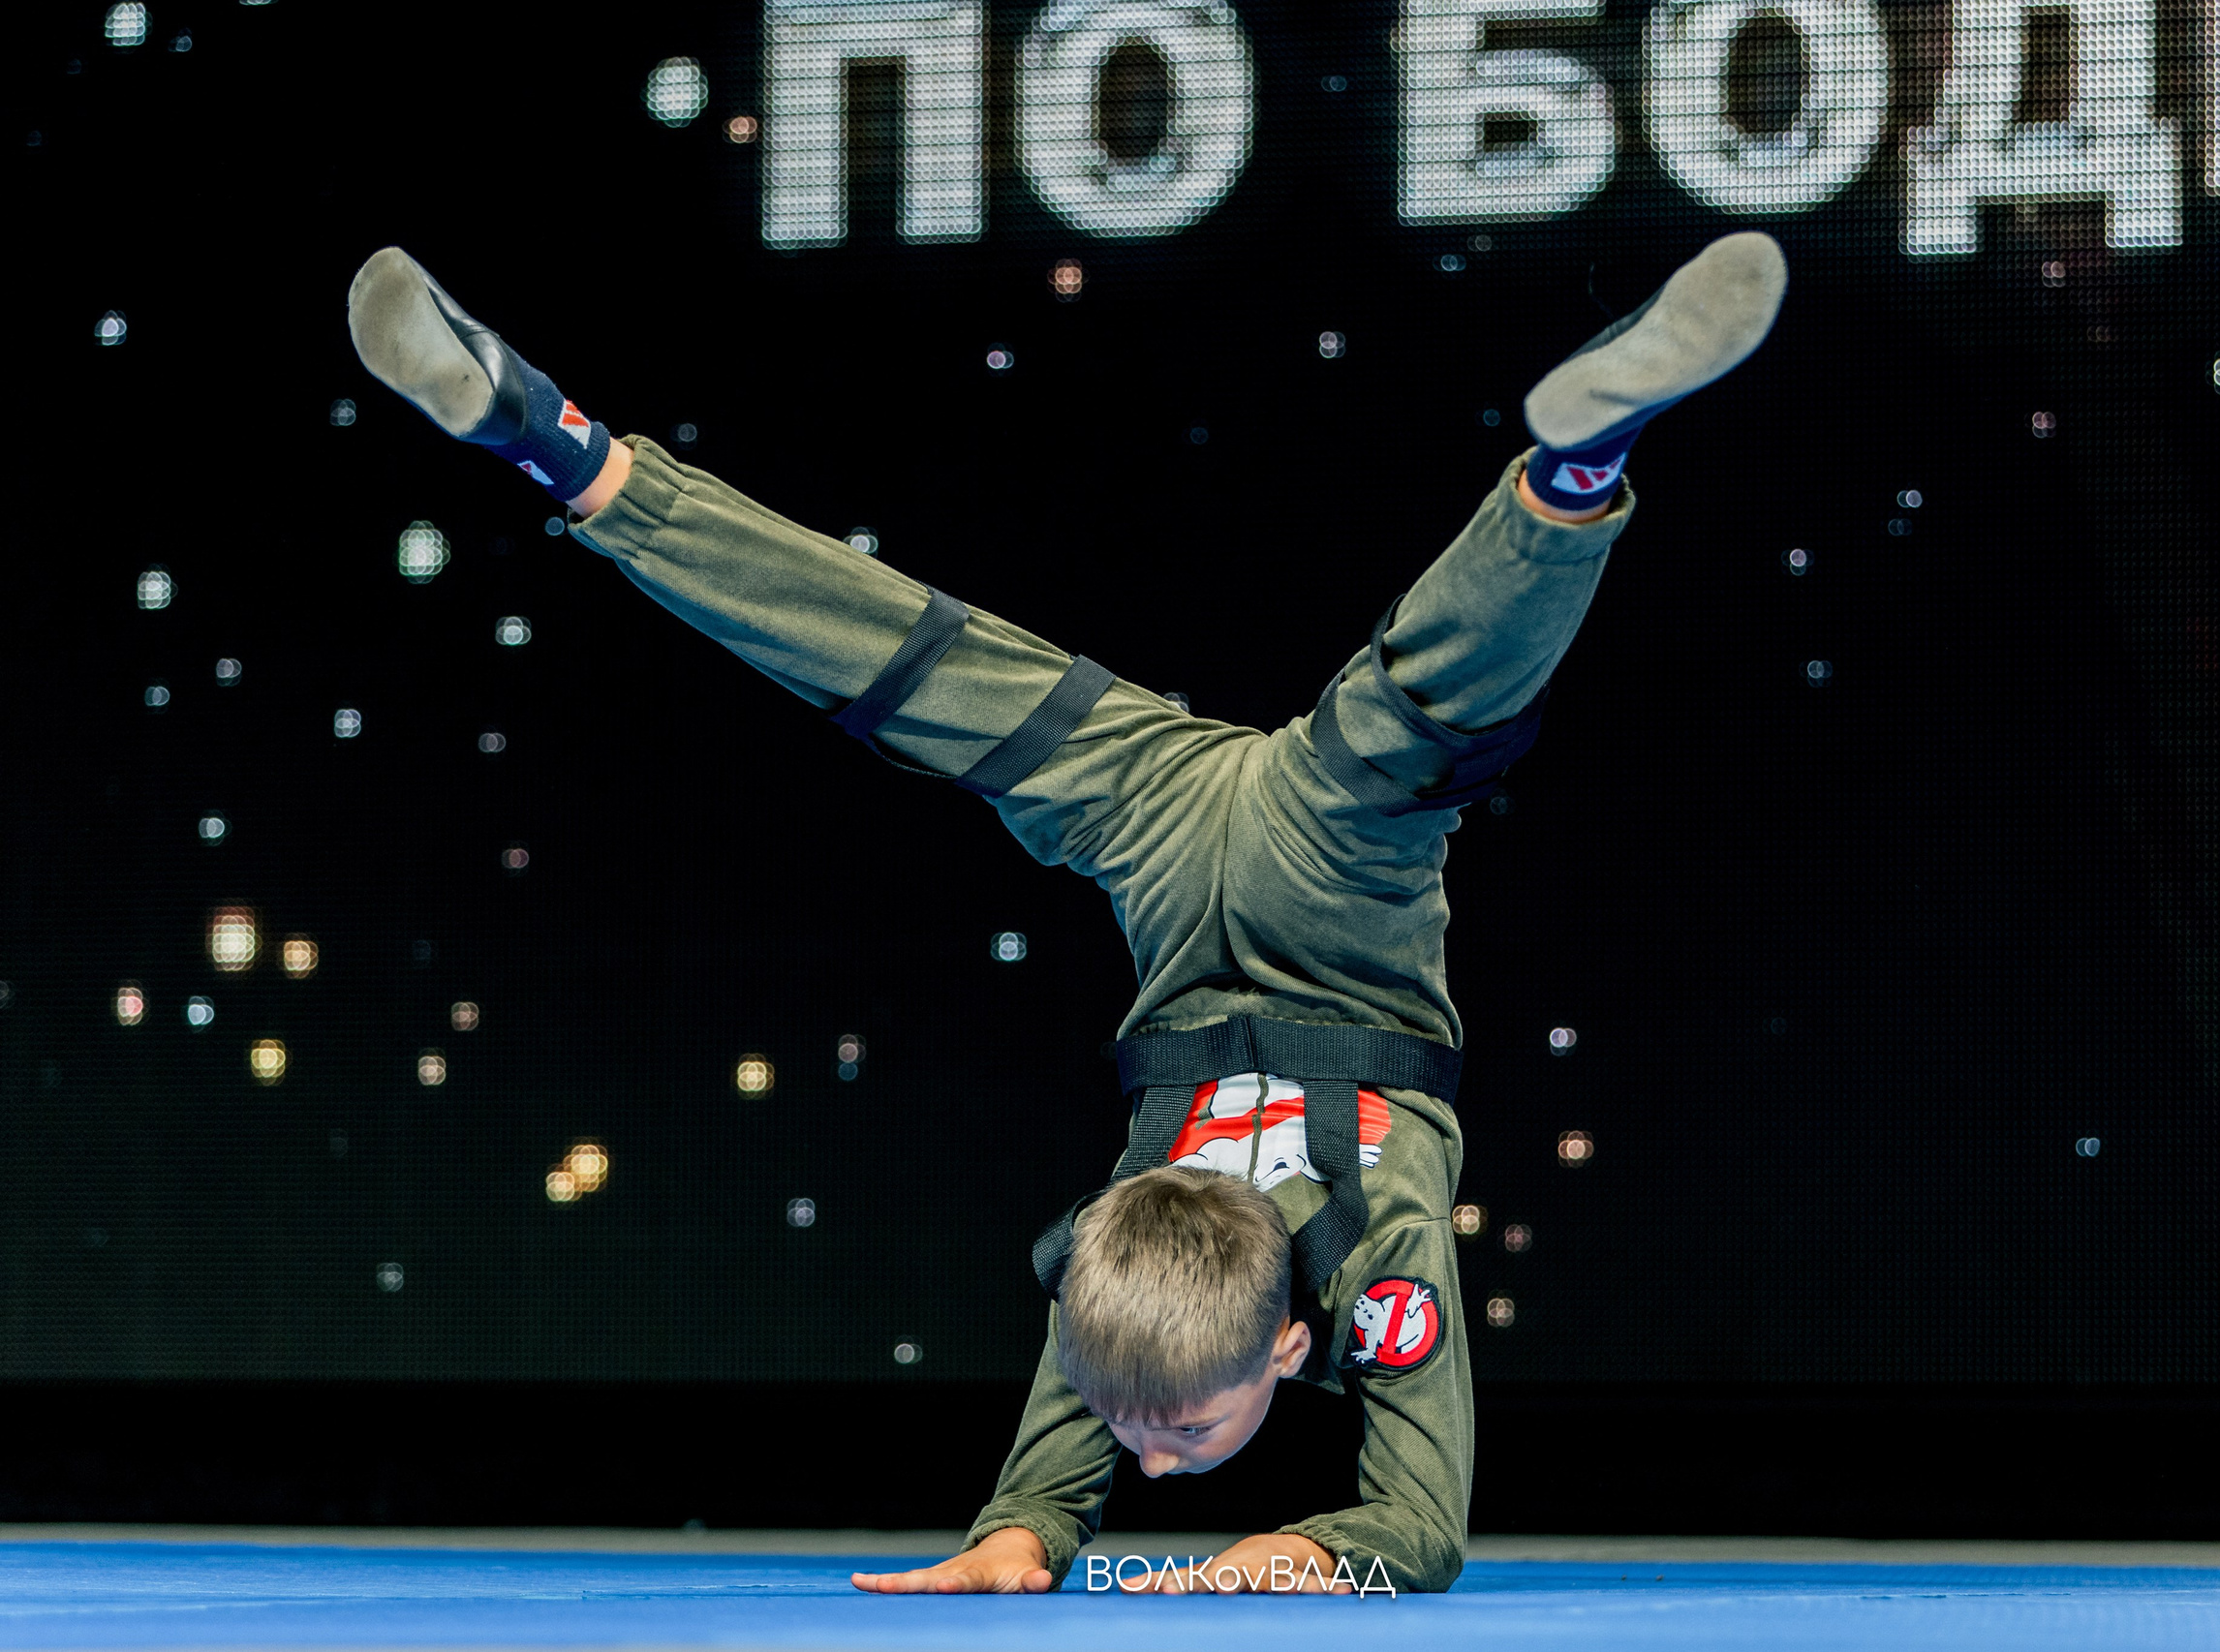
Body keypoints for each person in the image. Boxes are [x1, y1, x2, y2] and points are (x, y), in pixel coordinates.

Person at [345, 231, 1787, 1593]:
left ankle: (569, 447)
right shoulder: (1364, 1267)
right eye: (1168, 1433)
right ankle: (570, 459)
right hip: (1313, 876)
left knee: (1309, 701)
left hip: (1179, 841)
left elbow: (1310, 1505)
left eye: (1153, 1433)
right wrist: (1304, 1549)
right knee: (928, 672)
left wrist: (1023, 1534)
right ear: (1297, 1347)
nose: (1148, 1462)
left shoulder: (1125, 1273)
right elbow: (1413, 1529)